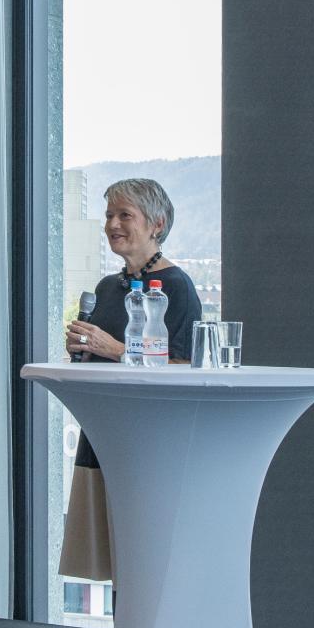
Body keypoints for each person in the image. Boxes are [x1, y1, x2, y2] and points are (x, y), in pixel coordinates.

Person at [58, 176, 204, 588]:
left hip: (151, 440)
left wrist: (115, 349)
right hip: (105, 433)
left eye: (125, 215)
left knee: (149, 562)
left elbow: (186, 367)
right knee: (121, 563)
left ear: (157, 224)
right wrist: (84, 349)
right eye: (108, 215)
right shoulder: (109, 287)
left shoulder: (177, 287)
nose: (112, 224)